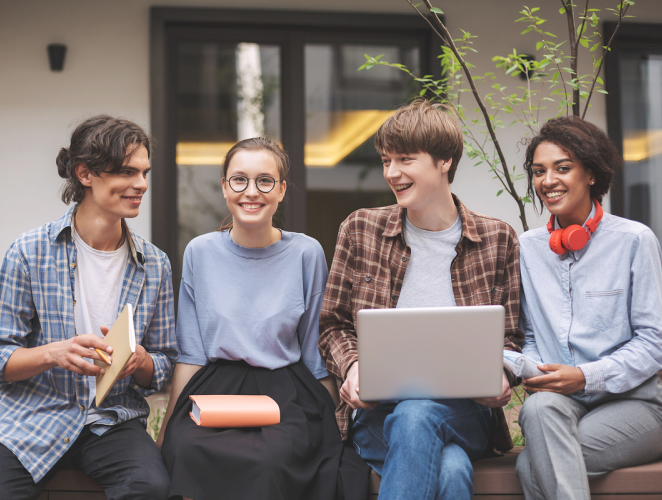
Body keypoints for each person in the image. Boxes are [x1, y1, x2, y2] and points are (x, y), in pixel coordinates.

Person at [318, 98, 524, 500]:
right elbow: (334, 326)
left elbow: (512, 337)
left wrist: (503, 372)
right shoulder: (361, 229)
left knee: (416, 415)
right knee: (450, 470)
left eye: (405, 160)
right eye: (385, 161)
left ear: (444, 161)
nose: (391, 173)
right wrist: (354, 367)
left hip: (467, 411)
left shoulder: (498, 239)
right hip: (378, 412)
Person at [158, 137, 369, 500]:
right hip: (213, 389)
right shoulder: (200, 252)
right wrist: (167, 430)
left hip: (287, 391)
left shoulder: (307, 253)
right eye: (239, 180)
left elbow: (314, 355)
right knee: (187, 451)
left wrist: (336, 428)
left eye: (264, 181)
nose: (251, 192)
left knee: (271, 461)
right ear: (224, 187)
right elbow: (191, 354)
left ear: (282, 189)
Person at [0, 115, 177, 499]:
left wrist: (142, 361)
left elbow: (166, 362)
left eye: (145, 172)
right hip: (33, 416)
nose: (141, 184)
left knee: (151, 488)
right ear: (85, 174)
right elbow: (1, 356)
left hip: (112, 421)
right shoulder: (28, 253)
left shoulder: (155, 264)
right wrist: (55, 354)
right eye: (128, 172)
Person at [514, 116, 662, 500]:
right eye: (539, 171)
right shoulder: (528, 248)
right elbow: (530, 334)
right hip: (559, 404)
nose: (548, 181)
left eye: (563, 168)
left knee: (532, 464)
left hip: (637, 405)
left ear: (591, 174)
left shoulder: (633, 240)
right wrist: (532, 368)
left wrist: (585, 376)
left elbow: (653, 341)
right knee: (537, 410)